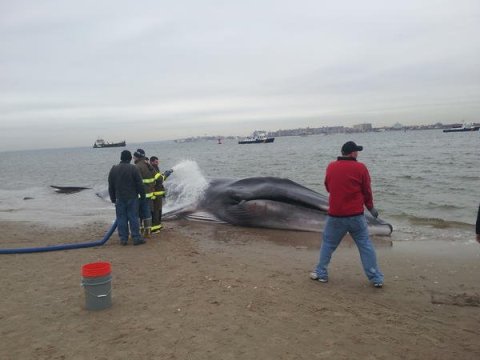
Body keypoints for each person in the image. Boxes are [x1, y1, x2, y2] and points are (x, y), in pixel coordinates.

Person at [310, 141, 384, 288]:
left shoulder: (331, 166)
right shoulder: (361, 168)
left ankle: (321, 273)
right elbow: (366, 191)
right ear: (352, 153)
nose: (358, 153)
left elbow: (328, 187)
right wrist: (370, 208)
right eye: (356, 151)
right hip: (356, 215)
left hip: (336, 216)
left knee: (328, 244)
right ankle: (376, 278)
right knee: (365, 246)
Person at [108, 150, 146, 246]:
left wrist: (112, 198)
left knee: (121, 218)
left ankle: (123, 239)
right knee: (133, 217)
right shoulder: (133, 168)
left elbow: (111, 186)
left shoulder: (114, 169)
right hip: (132, 197)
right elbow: (139, 184)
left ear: (121, 158)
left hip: (119, 198)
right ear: (129, 158)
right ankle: (136, 238)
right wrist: (143, 195)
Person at [133, 149, 156, 238]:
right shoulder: (149, 165)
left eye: (134, 156)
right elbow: (155, 178)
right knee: (147, 212)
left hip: (139, 195)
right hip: (149, 194)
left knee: (137, 213)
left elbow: (136, 182)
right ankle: (148, 232)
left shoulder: (137, 166)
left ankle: (139, 230)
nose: (133, 157)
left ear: (137, 157)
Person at [149, 156, 173, 234]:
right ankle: (154, 228)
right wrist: (166, 174)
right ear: (151, 162)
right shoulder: (152, 169)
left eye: (158, 161)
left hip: (158, 194)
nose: (157, 163)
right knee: (156, 211)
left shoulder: (155, 168)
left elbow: (159, 179)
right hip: (155, 195)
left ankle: (158, 226)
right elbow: (160, 180)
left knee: (158, 211)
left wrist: (164, 174)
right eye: (156, 162)